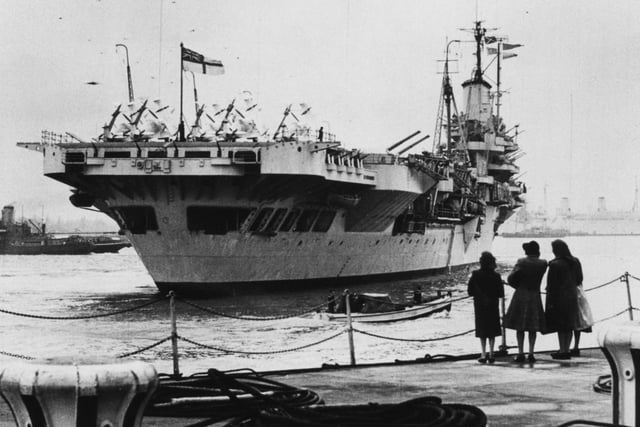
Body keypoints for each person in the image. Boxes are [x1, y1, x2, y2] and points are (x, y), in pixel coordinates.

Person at [545, 239, 593, 360]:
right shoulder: (575, 261)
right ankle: (567, 349)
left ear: (555, 250)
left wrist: (550, 300)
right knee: (569, 325)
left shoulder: (554, 264)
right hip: (573, 296)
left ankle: (563, 350)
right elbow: (579, 279)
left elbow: (551, 285)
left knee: (561, 326)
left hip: (559, 297)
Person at [503, 241, 548, 364]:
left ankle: (521, 353)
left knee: (520, 327)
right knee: (533, 327)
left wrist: (518, 286)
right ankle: (531, 353)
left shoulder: (522, 262)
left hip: (521, 295)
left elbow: (511, 278)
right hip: (535, 295)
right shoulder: (543, 263)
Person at [468, 251, 504, 364]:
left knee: (482, 330)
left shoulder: (475, 274)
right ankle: (491, 353)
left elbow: (470, 291)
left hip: (480, 305)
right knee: (492, 330)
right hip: (493, 305)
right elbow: (501, 293)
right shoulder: (496, 276)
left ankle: (483, 354)